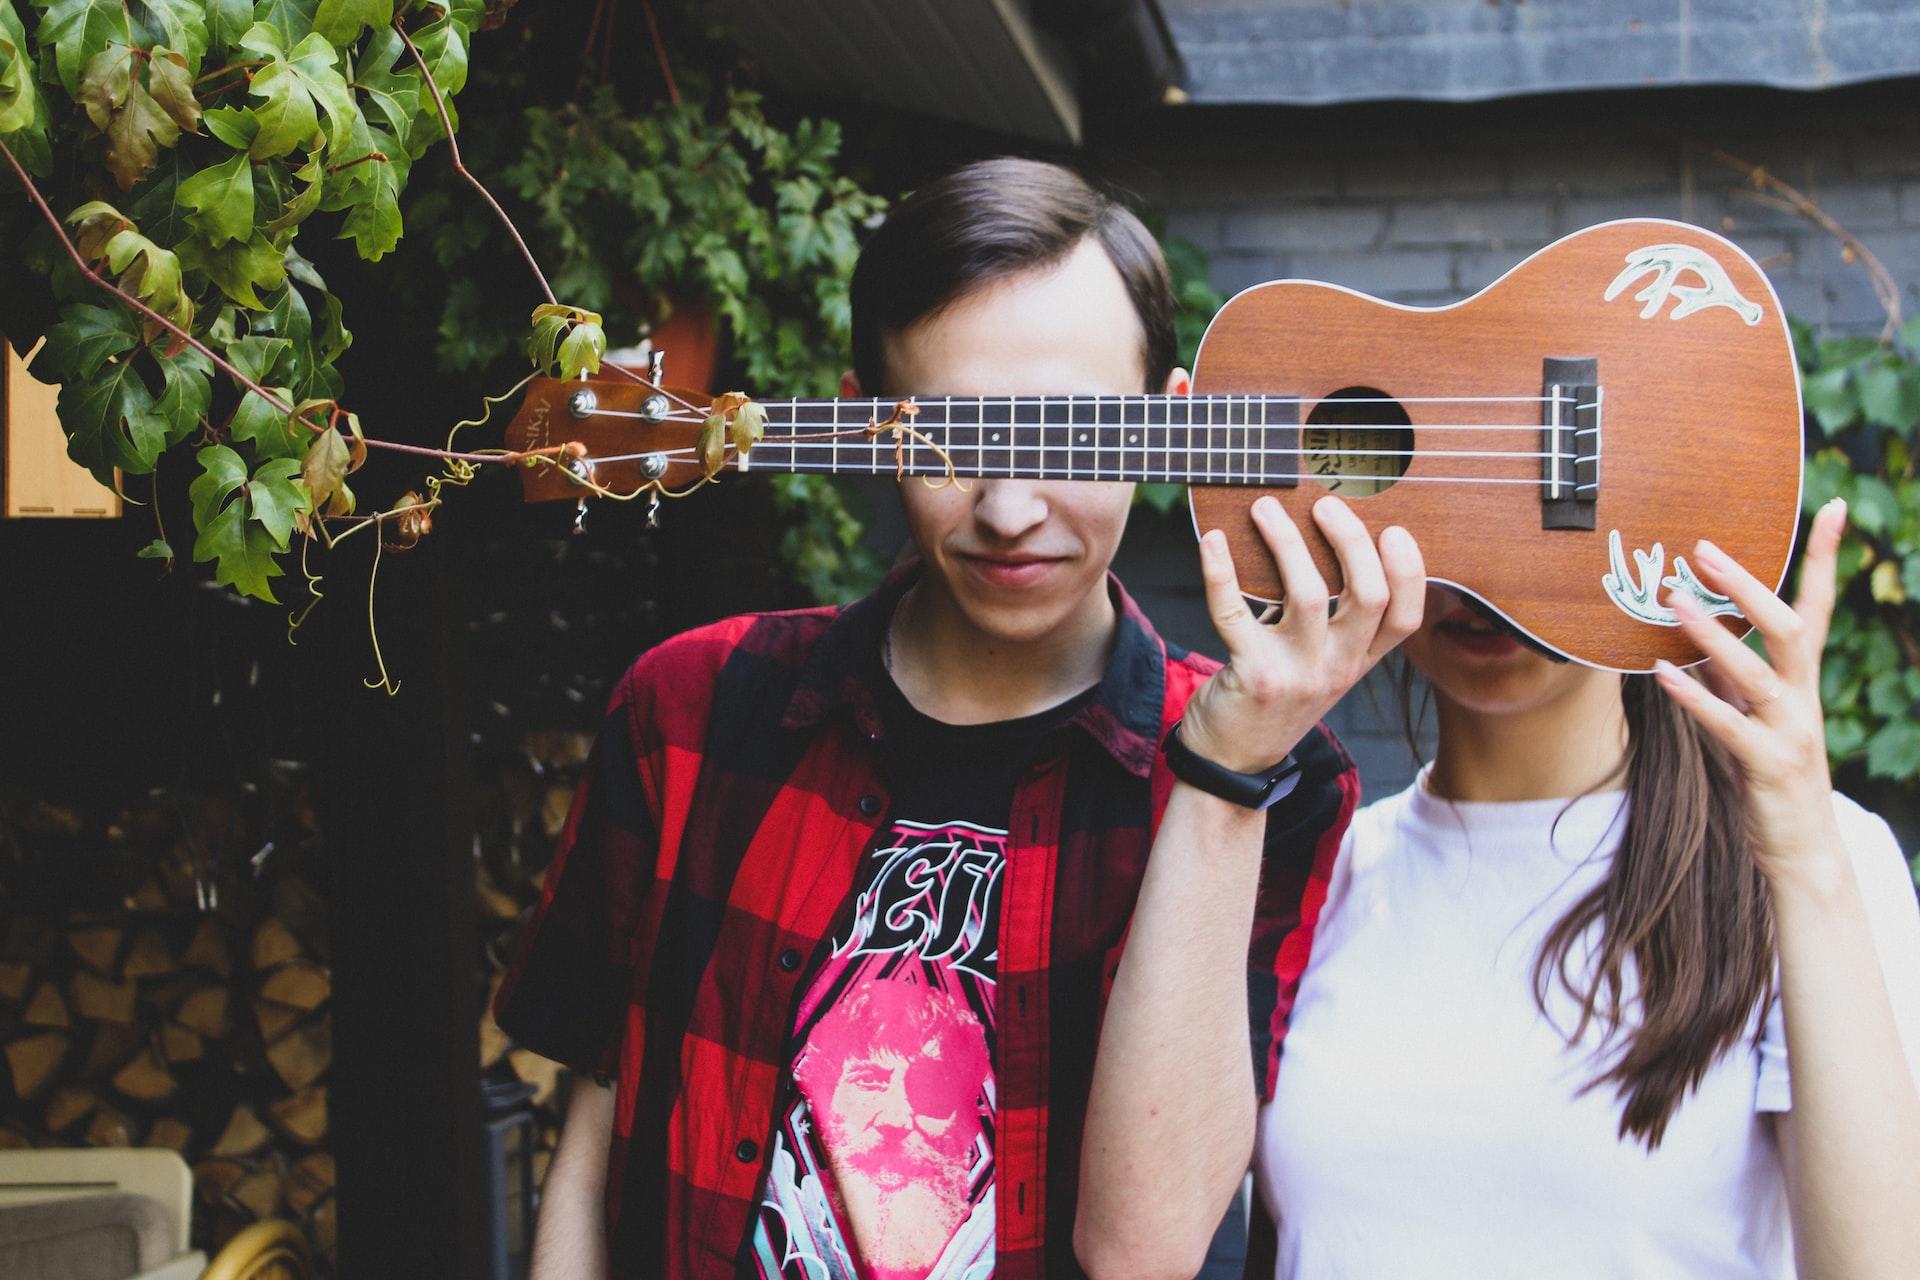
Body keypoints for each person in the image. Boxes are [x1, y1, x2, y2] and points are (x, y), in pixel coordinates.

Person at [493, 155, 1426, 1280]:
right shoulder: (690, 706)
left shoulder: (1286, 775)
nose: (1010, 509)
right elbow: (598, 1116)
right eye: (946, 436)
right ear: (862, 422)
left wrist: (1228, 770)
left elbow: (1150, 1247)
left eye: (1077, 435)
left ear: (1170, 429)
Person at [1081, 497, 1920, 1279]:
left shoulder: (1809, 856)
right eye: (1449, 506)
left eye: (1544, 502)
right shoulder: (1324, 875)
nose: (1490, 563)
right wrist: (1227, 759)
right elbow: (1137, 1245)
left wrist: (1807, 860)